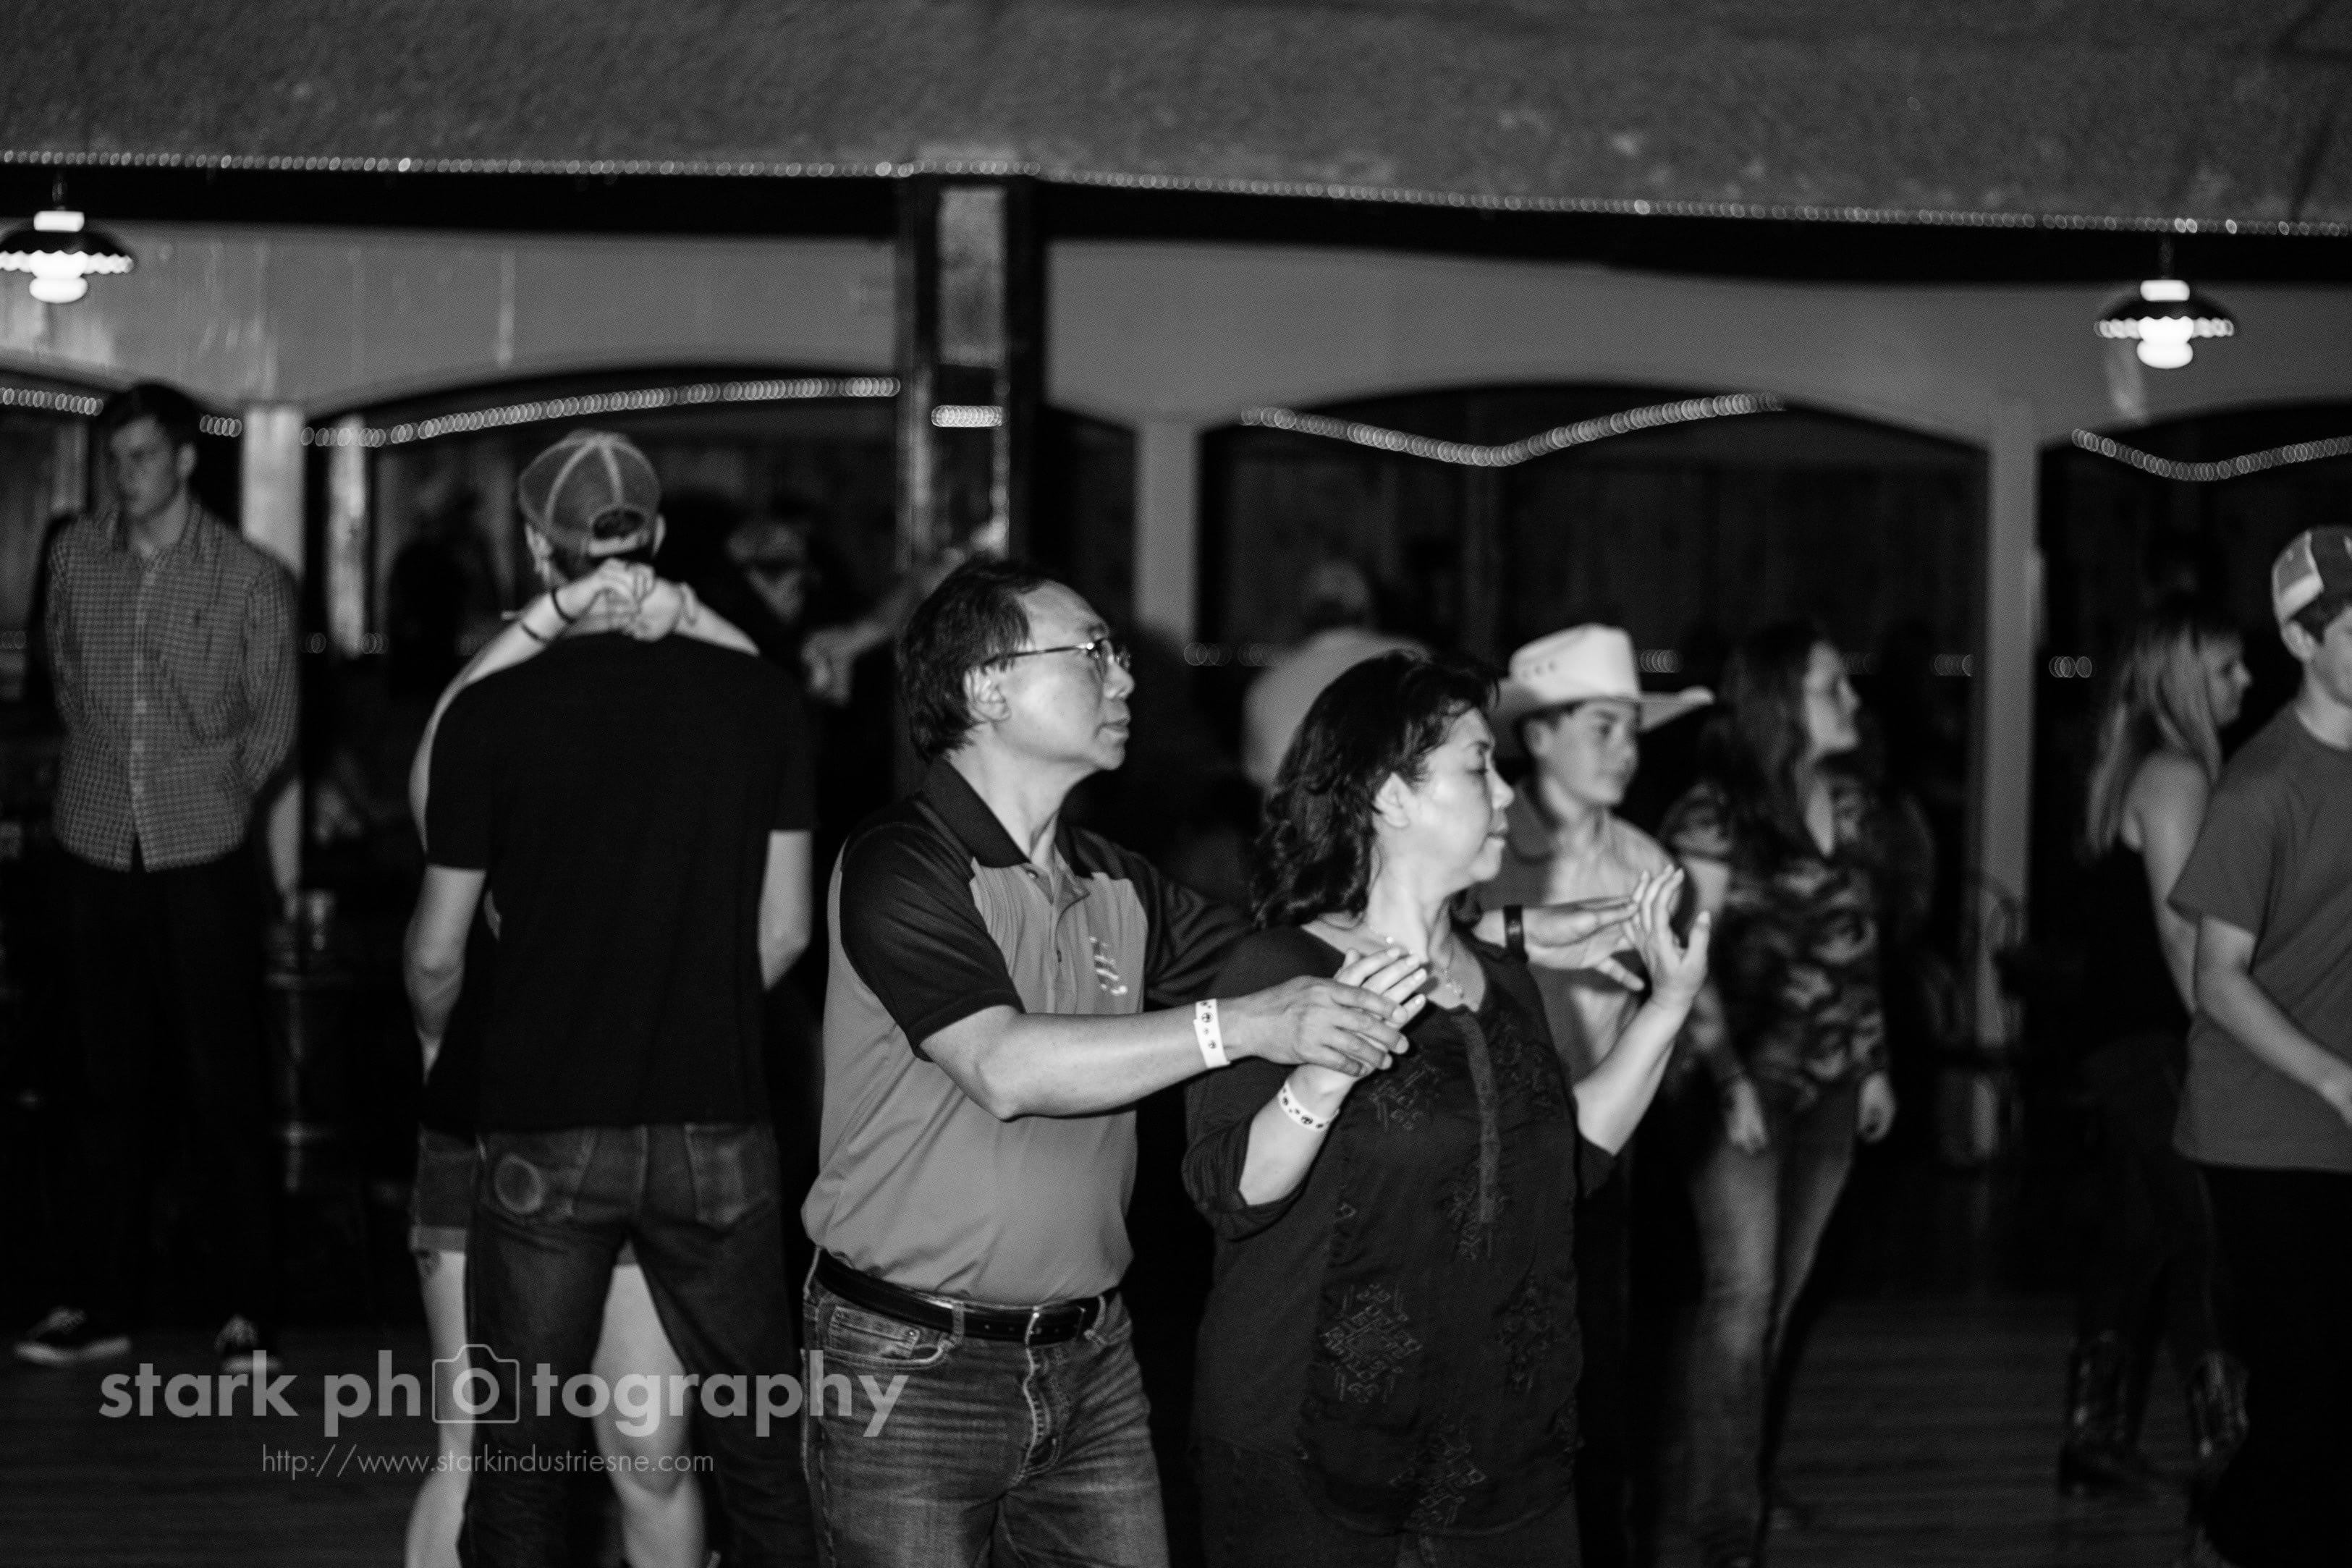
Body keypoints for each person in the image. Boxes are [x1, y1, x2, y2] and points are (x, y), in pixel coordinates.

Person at [799, 559, 1631, 1567]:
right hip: (910, 1355)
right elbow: (1001, 1065)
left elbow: (1297, 954)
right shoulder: (901, 858)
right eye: (1091, 652)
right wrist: (1238, 1026)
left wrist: (1504, 934)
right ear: (987, 687)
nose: (1124, 676)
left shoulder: (1113, 879)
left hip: (1089, 1354)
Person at [1184, 650, 1710, 1566]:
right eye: (1479, 766)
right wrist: (1322, 1077)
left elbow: (1568, 1163)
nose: (1506, 793)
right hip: (1305, 1446)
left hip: (1499, 1451)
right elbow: (1230, 1193)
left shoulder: (1504, 979)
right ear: (1390, 795)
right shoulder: (1282, 971)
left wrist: (1667, 1005)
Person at [403, 429, 817, 1567]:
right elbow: (786, 929)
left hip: (536, 1114)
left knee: (514, 1461)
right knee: (743, 1455)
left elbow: (435, 948)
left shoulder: (494, 712)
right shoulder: (756, 699)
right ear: (658, 535)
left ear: (536, 546)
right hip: (708, 1119)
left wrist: (445, 1041)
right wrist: (685, 1005)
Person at [14, 381, 297, 1375]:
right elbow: (61, 671)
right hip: (93, 841)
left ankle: (247, 1307)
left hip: (201, 849)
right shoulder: (74, 557)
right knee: (96, 1083)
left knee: (224, 1081)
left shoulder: (248, 576)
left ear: (183, 459)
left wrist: (207, 792)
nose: (123, 476)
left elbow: (273, 719)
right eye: (114, 458)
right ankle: (95, 1301)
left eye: (141, 456)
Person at [1465, 625, 1709, 1568]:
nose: (1626, 749)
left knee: (1598, 1373)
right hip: (1480, 1152)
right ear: (1538, 736)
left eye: (1633, 730)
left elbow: (1661, 1015)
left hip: (1598, 1154)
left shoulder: (1646, 860)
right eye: (1603, 726)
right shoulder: (1479, 850)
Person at [1661, 622, 1898, 1568]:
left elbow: (1858, 942)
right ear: (1778, 701)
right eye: (1832, 685)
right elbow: (1684, 966)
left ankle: (1736, 1476)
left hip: (1832, 1081)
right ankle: (1724, 1526)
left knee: (1780, 1298)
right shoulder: (1711, 814)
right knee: (1741, 1295)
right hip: (1742, 1081)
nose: (1852, 701)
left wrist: (1873, 1062)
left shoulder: (1851, 801)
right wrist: (1726, 1079)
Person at [2170, 526, 2352, 1568]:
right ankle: (2229, 1541)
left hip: (2337, 1116)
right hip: (2261, 1125)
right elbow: (2216, 977)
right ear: (2299, 637)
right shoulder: (2261, 786)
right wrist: (2335, 1078)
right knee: (2304, 1390)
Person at [2059, 603, 2250, 1502]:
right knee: (2207, 1233)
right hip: (2151, 1038)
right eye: (2225, 668)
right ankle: (2227, 1449)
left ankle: (2090, 1440)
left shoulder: (2134, 765)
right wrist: (2219, 1042)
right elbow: (2181, 931)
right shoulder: (2175, 772)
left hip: (2118, 1035)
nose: (2244, 681)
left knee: (2138, 1235)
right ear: (2181, 679)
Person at [1242, 559, 1423, 789]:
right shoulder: (1411, 659)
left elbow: (1261, 777)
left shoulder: (1268, 684)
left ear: (1304, 615)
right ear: (1369, 611)